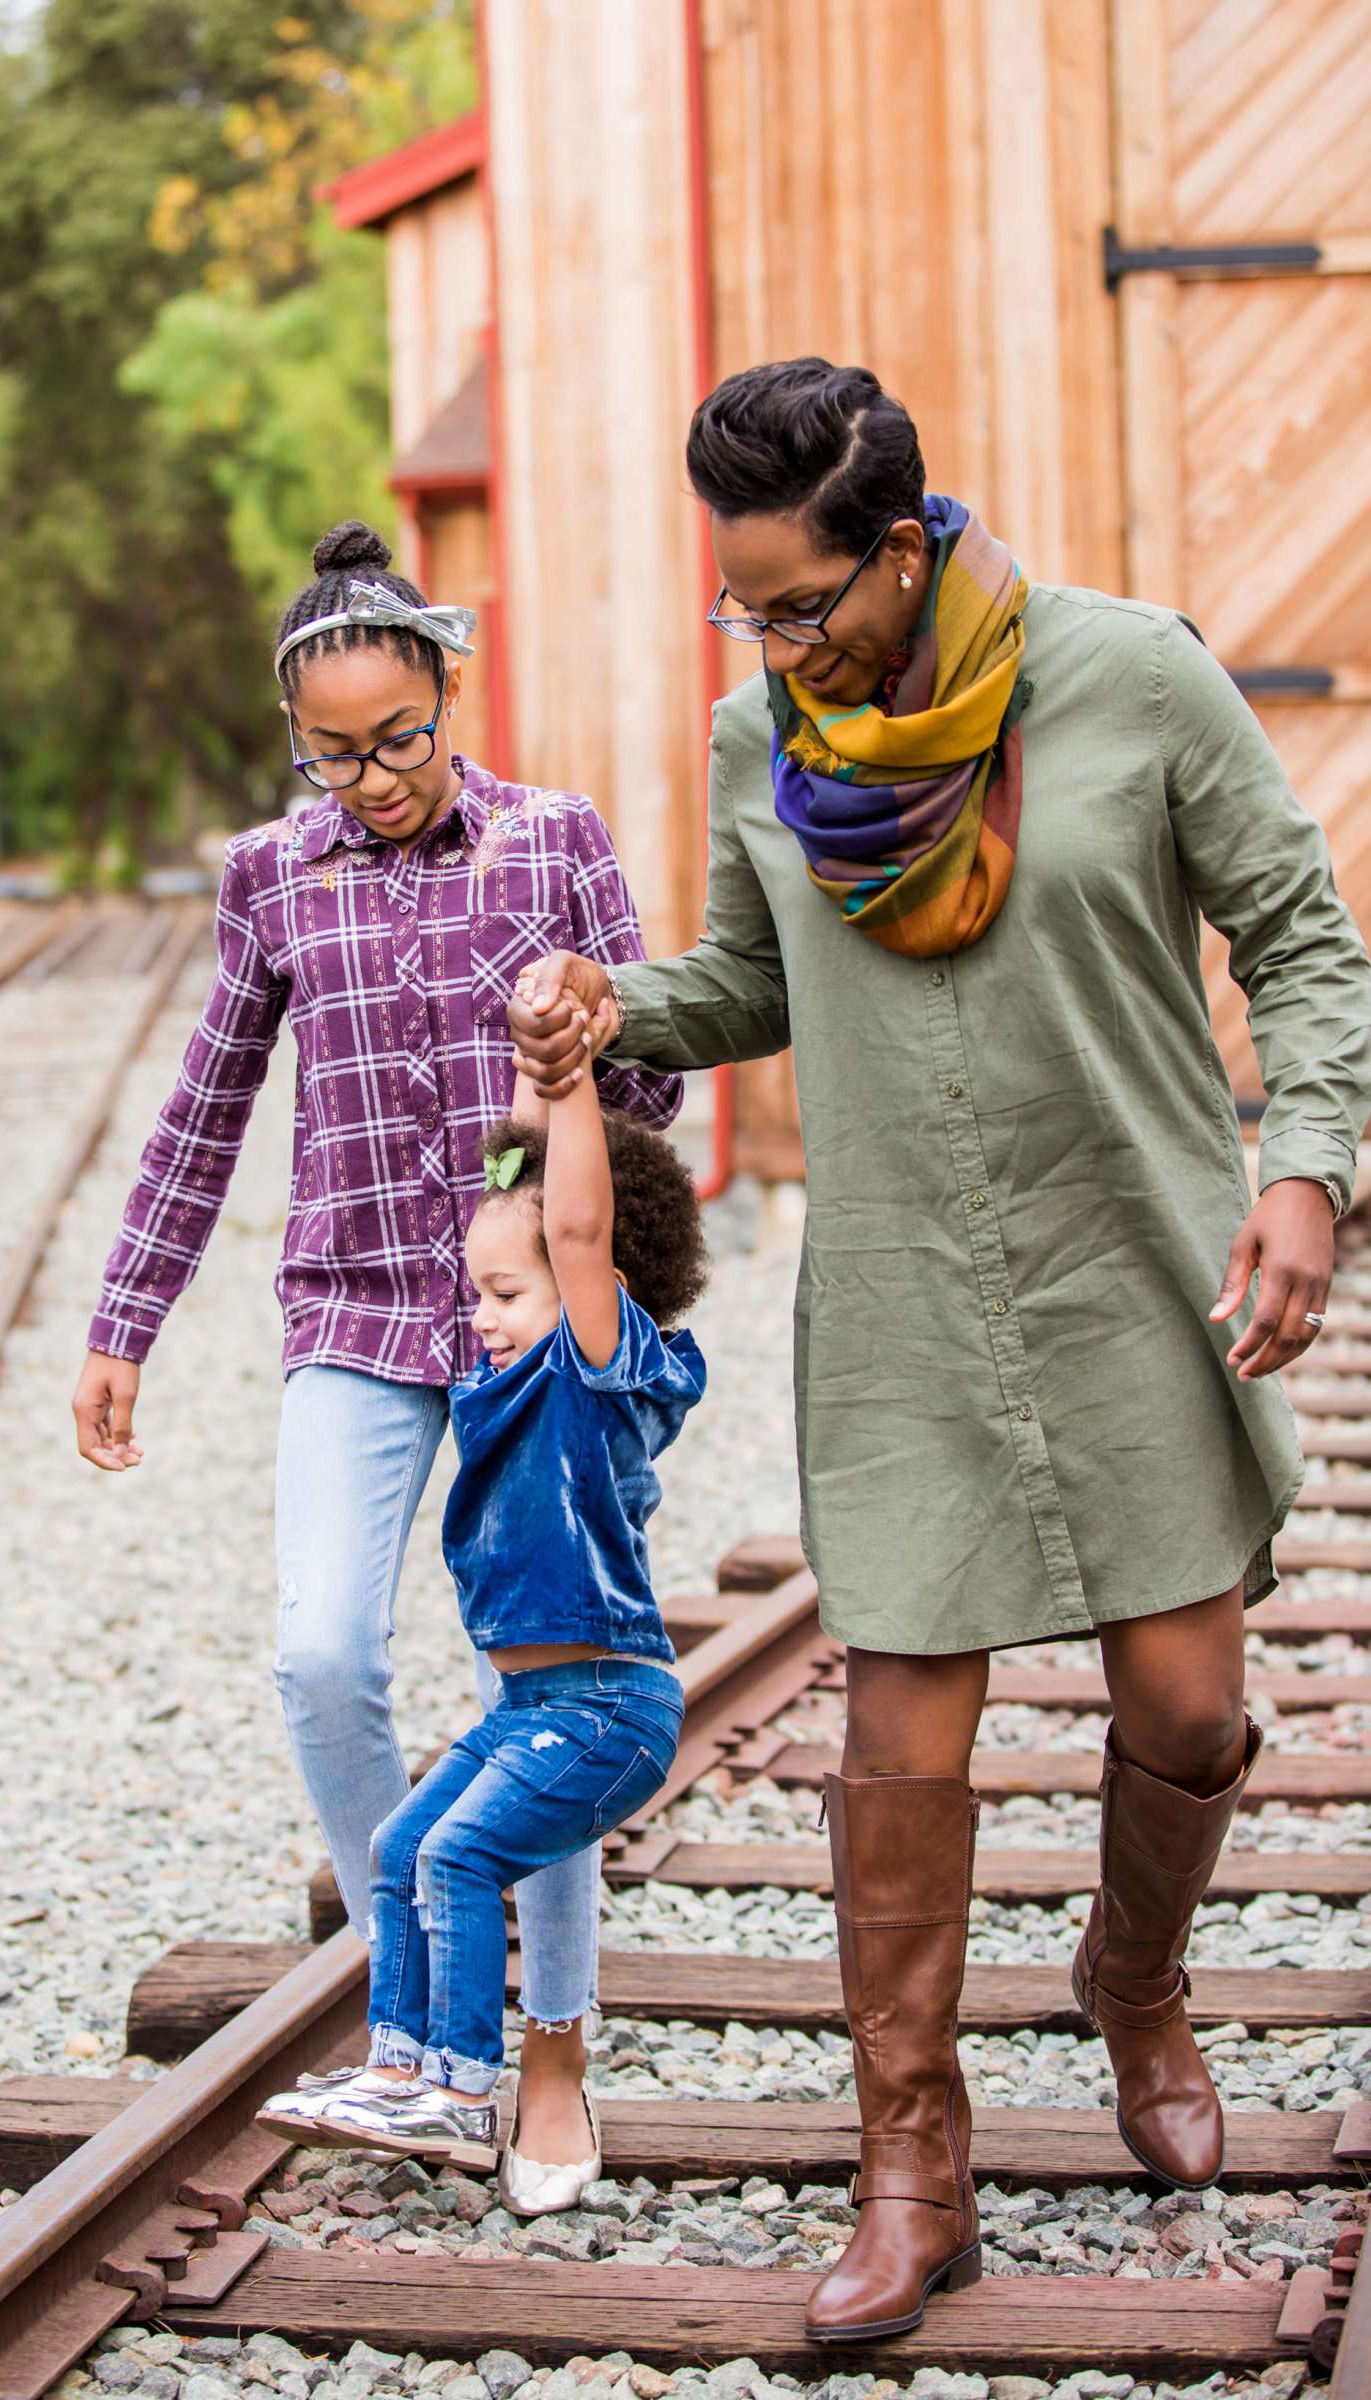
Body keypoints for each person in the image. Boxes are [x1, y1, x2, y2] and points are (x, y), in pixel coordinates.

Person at [508, 359, 1371, 2341]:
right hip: (900, 1295)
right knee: (898, 1734)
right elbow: (743, 981)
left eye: (800, 603)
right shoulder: (760, 740)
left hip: (1127, 1264)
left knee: (1178, 1713)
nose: (771, 641)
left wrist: (1306, 1168)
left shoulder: (1129, 679)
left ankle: (1128, 1986)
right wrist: (602, 1008)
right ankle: (912, 2161)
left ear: (899, 552)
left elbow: (1301, 935)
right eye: (744, 608)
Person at [72, 520, 682, 2201]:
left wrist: (587, 1042)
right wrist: (124, 1320)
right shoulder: (272, 875)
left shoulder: (555, 839)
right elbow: (204, 1111)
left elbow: (656, 1105)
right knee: (320, 1656)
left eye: (397, 740)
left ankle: (547, 2048)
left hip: (529, 1338)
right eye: (332, 753)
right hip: (349, 1312)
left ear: (448, 695)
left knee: (536, 1693)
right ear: (298, 746)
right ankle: (418, 2007)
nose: (372, 777)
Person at [258, 1007, 708, 2202]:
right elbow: (525, 1198)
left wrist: (568, 1089)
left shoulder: (597, 1375)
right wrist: (527, 1087)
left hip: (609, 1706)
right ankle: (400, 2065)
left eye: (506, 1292)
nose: (481, 1313)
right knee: (401, 1844)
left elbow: (568, 1220)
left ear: (587, 1283)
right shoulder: (518, 1375)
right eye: (479, 1292)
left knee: (457, 1856)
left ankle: (461, 2088)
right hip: (533, 1706)